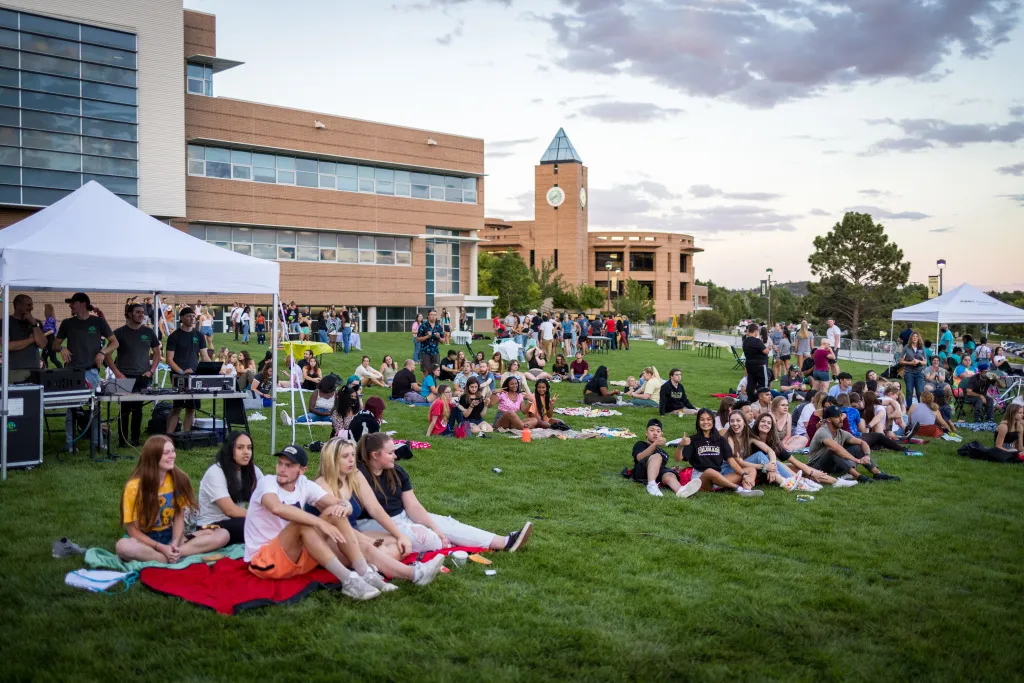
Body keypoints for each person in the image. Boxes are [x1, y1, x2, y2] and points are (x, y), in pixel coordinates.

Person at [243, 443, 384, 599]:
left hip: (296, 557)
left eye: (289, 465)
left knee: (335, 512)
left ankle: (364, 571)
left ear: (302, 470)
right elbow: (276, 508)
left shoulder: (304, 484)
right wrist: (319, 522)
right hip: (265, 562)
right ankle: (348, 580)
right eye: (280, 463)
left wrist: (345, 506)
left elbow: (338, 503)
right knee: (300, 523)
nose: (282, 469)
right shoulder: (267, 482)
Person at [355, 432, 533, 552]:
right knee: (431, 538)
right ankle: (443, 543)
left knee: (447, 524)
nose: (395, 456)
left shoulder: (396, 471)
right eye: (390, 453)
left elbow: (413, 506)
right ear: (375, 455)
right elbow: (375, 511)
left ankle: (503, 542)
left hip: (402, 517)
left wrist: (435, 526)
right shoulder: (359, 474)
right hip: (373, 524)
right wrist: (411, 531)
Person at [312, 439, 444, 585]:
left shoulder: (354, 475)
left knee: (399, 543)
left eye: (352, 455)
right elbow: (338, 525)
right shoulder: (321, 485)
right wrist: (370, 542)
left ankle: (373, 569)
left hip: (354, 532)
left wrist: (399, 535)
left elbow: (375, 508)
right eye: (345, 456)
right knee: (373, 548)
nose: (351, 460)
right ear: (331, 459)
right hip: (331, 539)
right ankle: (415, 574)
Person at [116, 435, 229, 562]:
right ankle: (165, 557)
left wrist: (175, 542)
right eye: (166, 453)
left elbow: (180, 515)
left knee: (223, 534)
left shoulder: (179, 479)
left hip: (172, 535)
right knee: (123, 546)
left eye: (173, 451)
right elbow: (133, 530)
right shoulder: (134, 487)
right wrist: (160, 547)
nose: (172, 455)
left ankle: (175, 553)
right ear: (153, 457)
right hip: (145, 539)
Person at [54, 292, 119, 449]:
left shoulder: (98, 322)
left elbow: (114, 342)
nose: (70, 306)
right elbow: (54, 345)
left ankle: (98, 443)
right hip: (72, 372)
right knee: (72, 410)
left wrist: (102, 352)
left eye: (73, 303)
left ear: (82, 304)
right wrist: (62, 348)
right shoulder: (67, 323)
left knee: (95, 409)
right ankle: (70, 445)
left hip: (91, 372)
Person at [106, 303, 162, 447]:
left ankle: (135, 439)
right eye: (138, 312)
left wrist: (151, 371)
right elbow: (107, 355)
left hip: (142, 376)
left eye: (143, 312)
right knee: (124, 410)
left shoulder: (149, 332)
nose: (141, 315)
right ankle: (122, 440)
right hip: (124, 376)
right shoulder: (119, 333)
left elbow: (157, 354)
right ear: (129, 314)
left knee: (138, 409)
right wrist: (117, 373)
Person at [675, 408, 763, 497]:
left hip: (718, 478)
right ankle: (738, 489)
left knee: (751, 469)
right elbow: (678, 459)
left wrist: (744, 475)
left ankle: (747, 491)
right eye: (702, 419)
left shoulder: (721, 440)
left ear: (713, 421)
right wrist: (681, 445)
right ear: (698, 422)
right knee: (709, 471)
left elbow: (731, 461)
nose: (705, 422)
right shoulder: (693, 440)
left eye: (708, 419)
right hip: (700, 480)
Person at [754, 413, 855, 488]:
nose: (765, 424)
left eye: (769, 423)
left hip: (771, 471)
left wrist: (811, 472)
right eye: (763, 421)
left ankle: (835, 482)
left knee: (796, 466)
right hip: (758, 472)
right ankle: (805, 481)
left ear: (772, 426)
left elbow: (793, 460)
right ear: (757, 422)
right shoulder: (752, 440)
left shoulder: (772, 442)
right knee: (779, 464)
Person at [195, 432, 261, 545]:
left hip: (236, 522)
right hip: (210, 526)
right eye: (240, 448)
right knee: (252, 524)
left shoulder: (251, 470)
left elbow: (268, 493)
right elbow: (230, 511)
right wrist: (261, 515)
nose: (246, 452)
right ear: (229, 450)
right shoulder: (215, 472)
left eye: (249, 448)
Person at [807, 406, 900, 483]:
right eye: (836, 417)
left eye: (841, 416)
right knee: (833, 450)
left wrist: (867, 456)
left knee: (856, 447)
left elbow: (862, 442)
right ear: (828, 420)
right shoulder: (823, 431)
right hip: (817, 466)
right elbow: (836, 448)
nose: (841, 419)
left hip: (834, 465)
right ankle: (860, 477)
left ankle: (877, 473)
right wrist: (857, 460)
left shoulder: (841, 432)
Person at [721, 410, 797, 489]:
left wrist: (772, 467)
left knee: (768, 456)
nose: (735, 423)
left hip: (742, 469)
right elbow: (740, 462)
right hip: (728, 470)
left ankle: (792, 480)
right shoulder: (729, 439)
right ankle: (783, 481)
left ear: (744, 423)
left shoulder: (748, 437)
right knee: (759, 455)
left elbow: (770, 450)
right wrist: (764, 467)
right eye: (732, 421)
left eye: (738, 420)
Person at [164, 307, 210, 435]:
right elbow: (169, 359)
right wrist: (181, 372)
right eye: (189, 316)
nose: (192, 318)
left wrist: (214, 369)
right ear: (182, 318)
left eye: (193, 316)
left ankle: (187, 435)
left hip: (195, 376)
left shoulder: (199, 335)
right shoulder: (174, 336)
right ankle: (169, 436)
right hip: (178, 376)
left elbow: (204, 356)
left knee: (191, 408)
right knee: (177, 407)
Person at [630, 418, 703, 498]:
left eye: (658, 431)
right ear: (646, 433)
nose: (655, 433)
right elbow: (639, 458)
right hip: (641, 471)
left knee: (669, 475)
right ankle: (651, 485)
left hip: (657, 475)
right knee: (657, 456)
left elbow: (659, 467)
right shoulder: (640, 444)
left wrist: (672, 469)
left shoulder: (663, 453)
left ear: (661, 434)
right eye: (652, 430)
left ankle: (681, 491)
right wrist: (654, 445)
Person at [3, 294, 47, 383]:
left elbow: (42, 344)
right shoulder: (6, 322)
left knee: (36, 396)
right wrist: (32, 339)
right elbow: (7, 346)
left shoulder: (36, 322)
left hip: (36, 369)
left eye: (32, 305)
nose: (32, 308)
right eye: (28, 305)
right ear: (18, 305)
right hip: (15, 370)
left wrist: (34, 324)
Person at [742, 322, 770, 401]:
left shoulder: (745, 342)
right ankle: (763, 401)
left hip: (750, 365)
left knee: (751, 383)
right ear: (755, 331)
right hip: (760, 365)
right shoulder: (757, 341)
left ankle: (752, 400)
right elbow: (766, 351)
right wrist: (768, 348)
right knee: (763, 384)